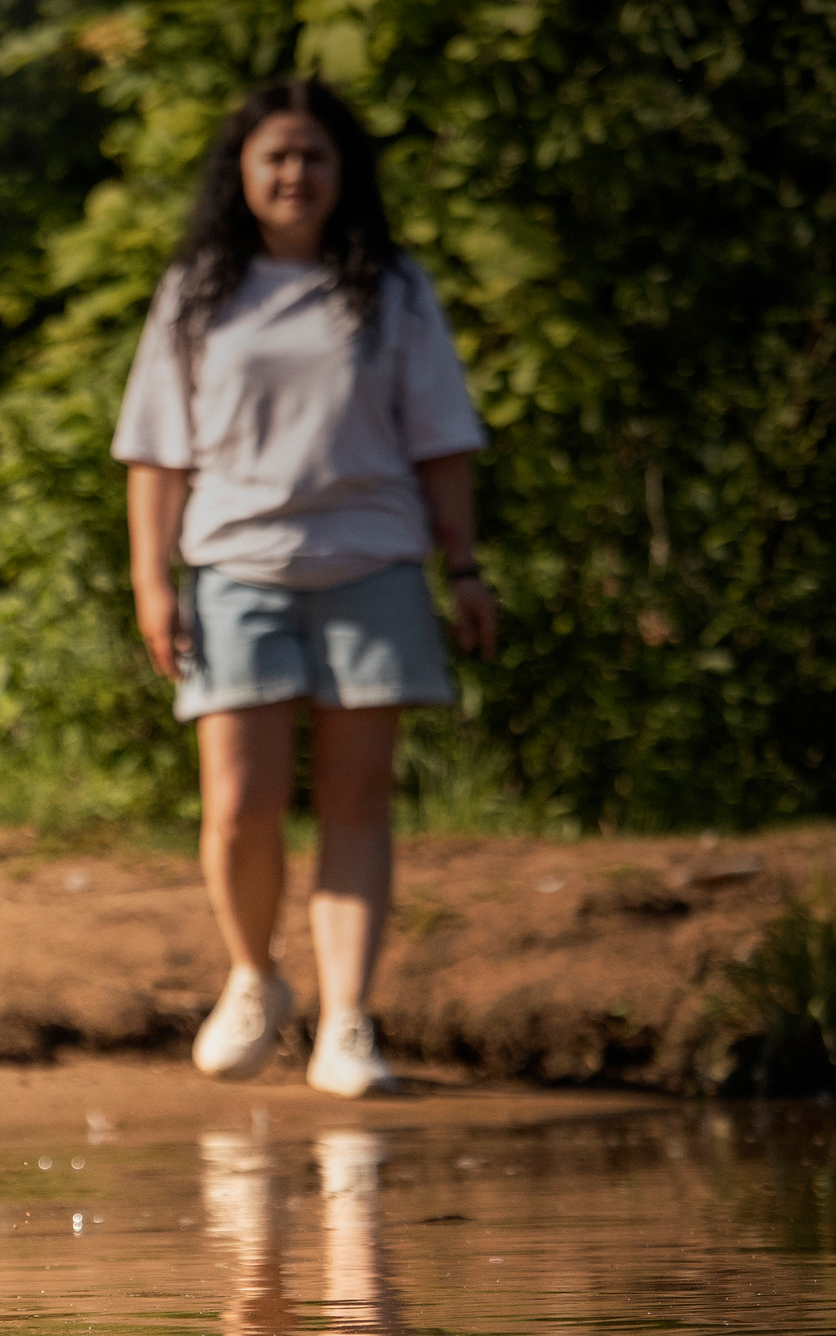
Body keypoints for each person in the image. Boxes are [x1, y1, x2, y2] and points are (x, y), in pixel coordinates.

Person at [112, 78, 498, 1099]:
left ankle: (349, 1022)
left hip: (374, 563)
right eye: (275, 156)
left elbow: (442, 441)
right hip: (233, 566)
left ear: (343, 174)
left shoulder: (394, 289)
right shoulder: (196, 291)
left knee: (355, 801)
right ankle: (252, 978)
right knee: (237, 806)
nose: (294, 174)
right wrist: (151, 580)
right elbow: (154, 452)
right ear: (240, 173)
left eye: (314, 157)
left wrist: (462, 569)